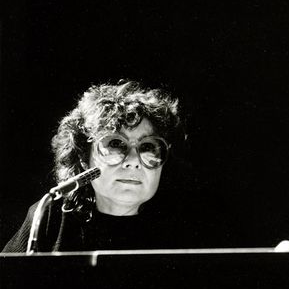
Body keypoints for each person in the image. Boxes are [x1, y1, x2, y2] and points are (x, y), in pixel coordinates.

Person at [3, 80, 189, 252]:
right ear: (84, 156)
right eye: (116, 144)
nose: (133, 160)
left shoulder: (183, 227)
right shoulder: (51, 215)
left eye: (148, 146)